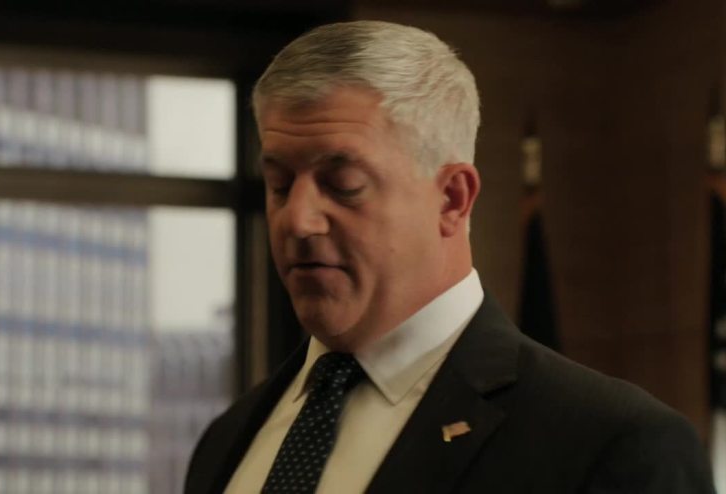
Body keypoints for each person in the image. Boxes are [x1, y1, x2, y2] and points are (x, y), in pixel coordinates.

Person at [185, 20, 716, 493]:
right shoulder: (227, 439)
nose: (298, 220)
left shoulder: (611, 446)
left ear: (452, 199)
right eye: (279, 184)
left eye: (343, 183)